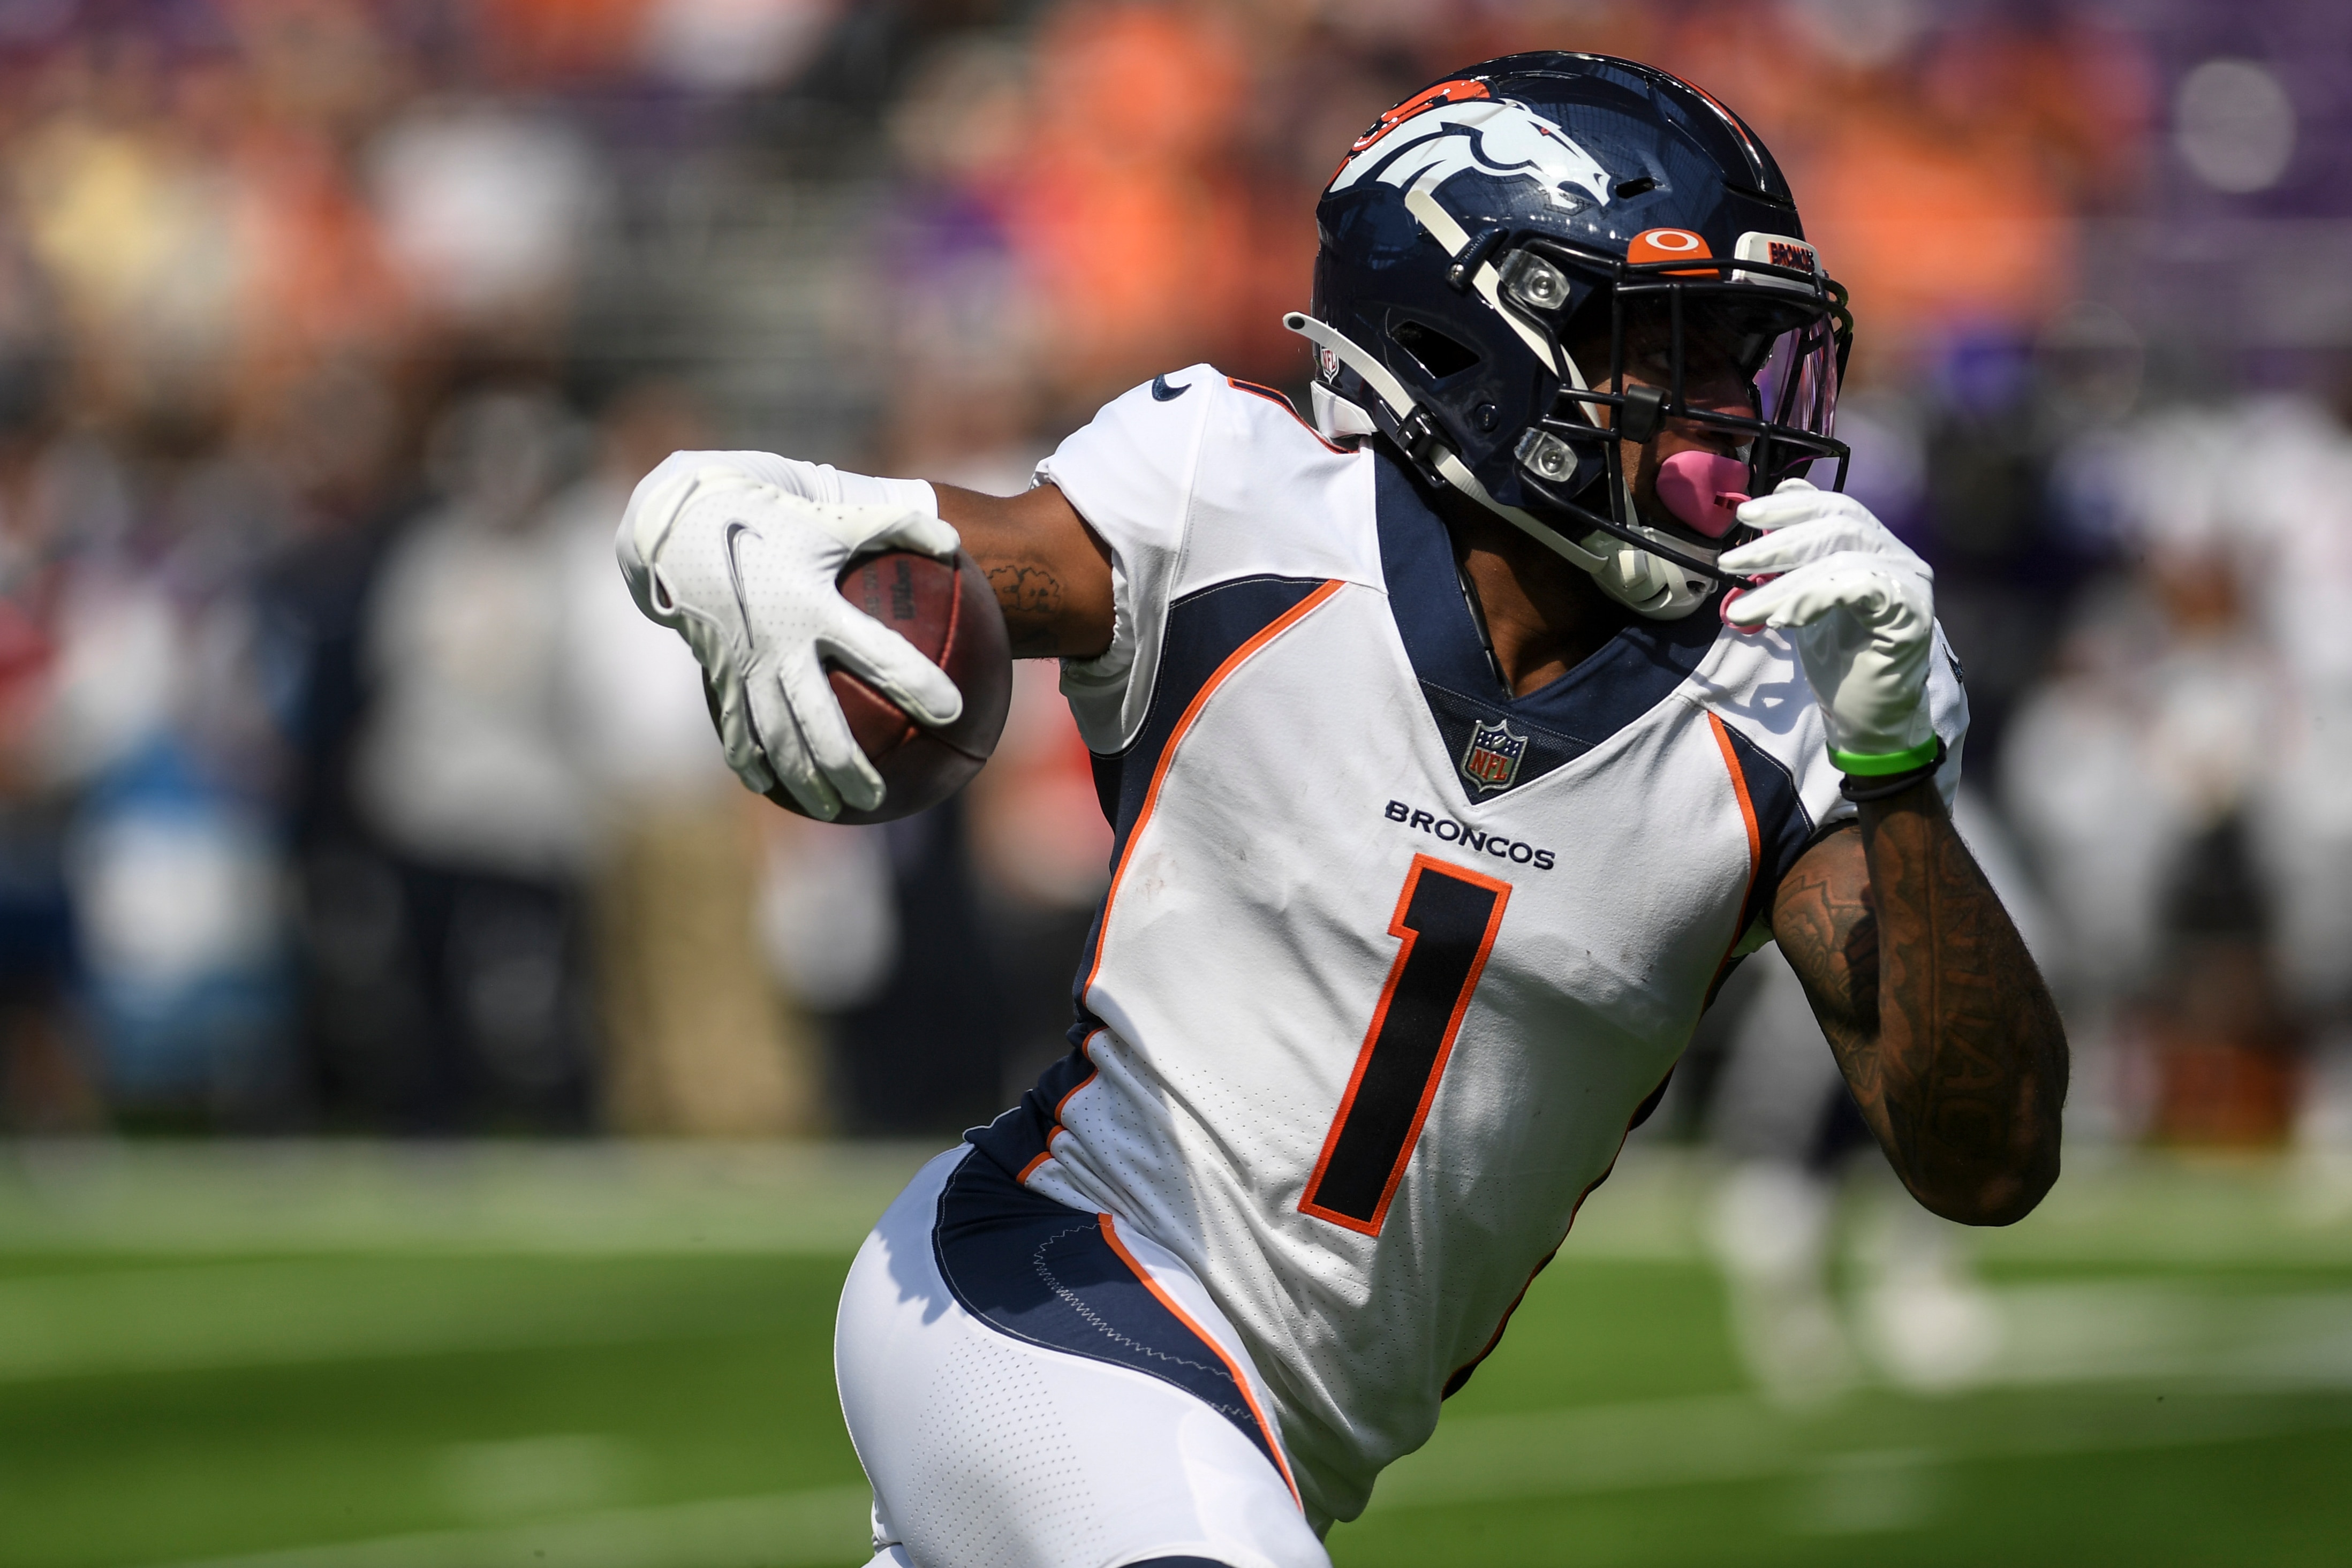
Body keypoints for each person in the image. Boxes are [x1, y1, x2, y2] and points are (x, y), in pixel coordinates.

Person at [617, 54, 2067, 1568]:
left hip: (1259, 1441)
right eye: (1670, 351)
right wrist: (729, 522)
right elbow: (930, 564)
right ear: (1471, 340)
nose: (1723, 416)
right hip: (1042, 1284)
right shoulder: (1232, 502)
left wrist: (1899, 775)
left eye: (1739, 357)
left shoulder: (1787, 701)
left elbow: (1985, 1159)